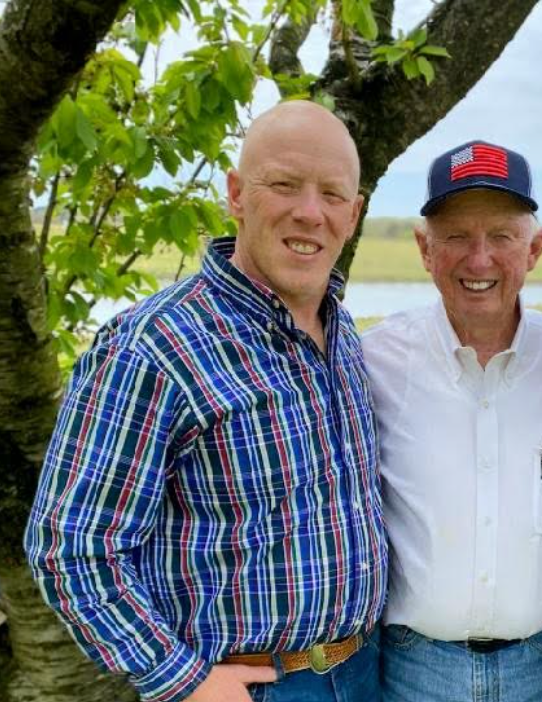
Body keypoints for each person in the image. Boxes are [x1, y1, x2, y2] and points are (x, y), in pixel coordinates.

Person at [24, 101, 386, 702]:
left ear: (354, 214)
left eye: (331, 194)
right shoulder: (155, 348)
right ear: (237, 194)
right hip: (243, 685)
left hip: (363, 671)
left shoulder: (342, 333)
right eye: (285, 185)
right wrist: (181, 680)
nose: (309, 212)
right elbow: (71, 546)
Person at [362, 140, 542, 701]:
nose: (479, 260)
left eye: (502, 237)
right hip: (415, 671)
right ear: (423, 249)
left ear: (535, 249)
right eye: (456, 236)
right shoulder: (374, 360)